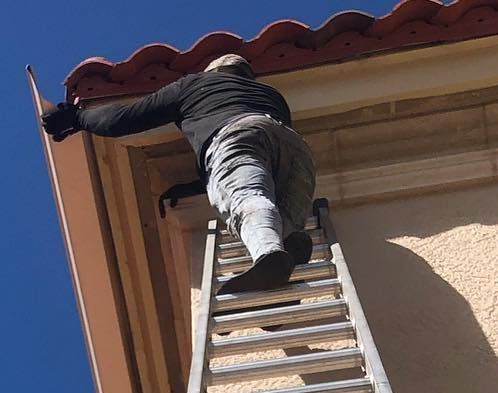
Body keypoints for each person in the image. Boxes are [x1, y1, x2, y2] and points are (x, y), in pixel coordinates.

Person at [42, 54, 316, 296]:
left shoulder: (194, 85)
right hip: (294, 149)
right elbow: (263, 158)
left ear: (213, 72)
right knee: (282, 216)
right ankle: (284, 265)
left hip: (236, 135)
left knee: (247, 198)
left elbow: (125, 118)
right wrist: (196, 185)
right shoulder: (270, 94)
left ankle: (269, 254)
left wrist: (77, 118)